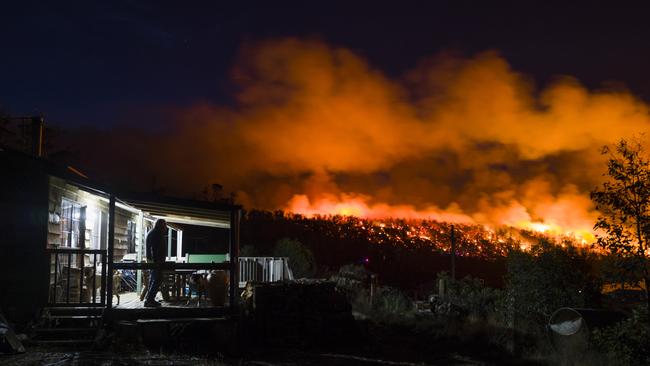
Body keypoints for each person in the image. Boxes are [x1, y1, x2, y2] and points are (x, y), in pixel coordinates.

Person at [144, 219, 167, 307]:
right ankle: (150, 299)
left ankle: (148, 299)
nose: (166, 228)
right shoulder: (156, 234)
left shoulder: (154, 233)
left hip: (154, 261)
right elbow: (155, 250)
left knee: (153, 280)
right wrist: (157, 262)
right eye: (165, 225)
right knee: (157, 279)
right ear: (161, 226)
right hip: (156, 262)